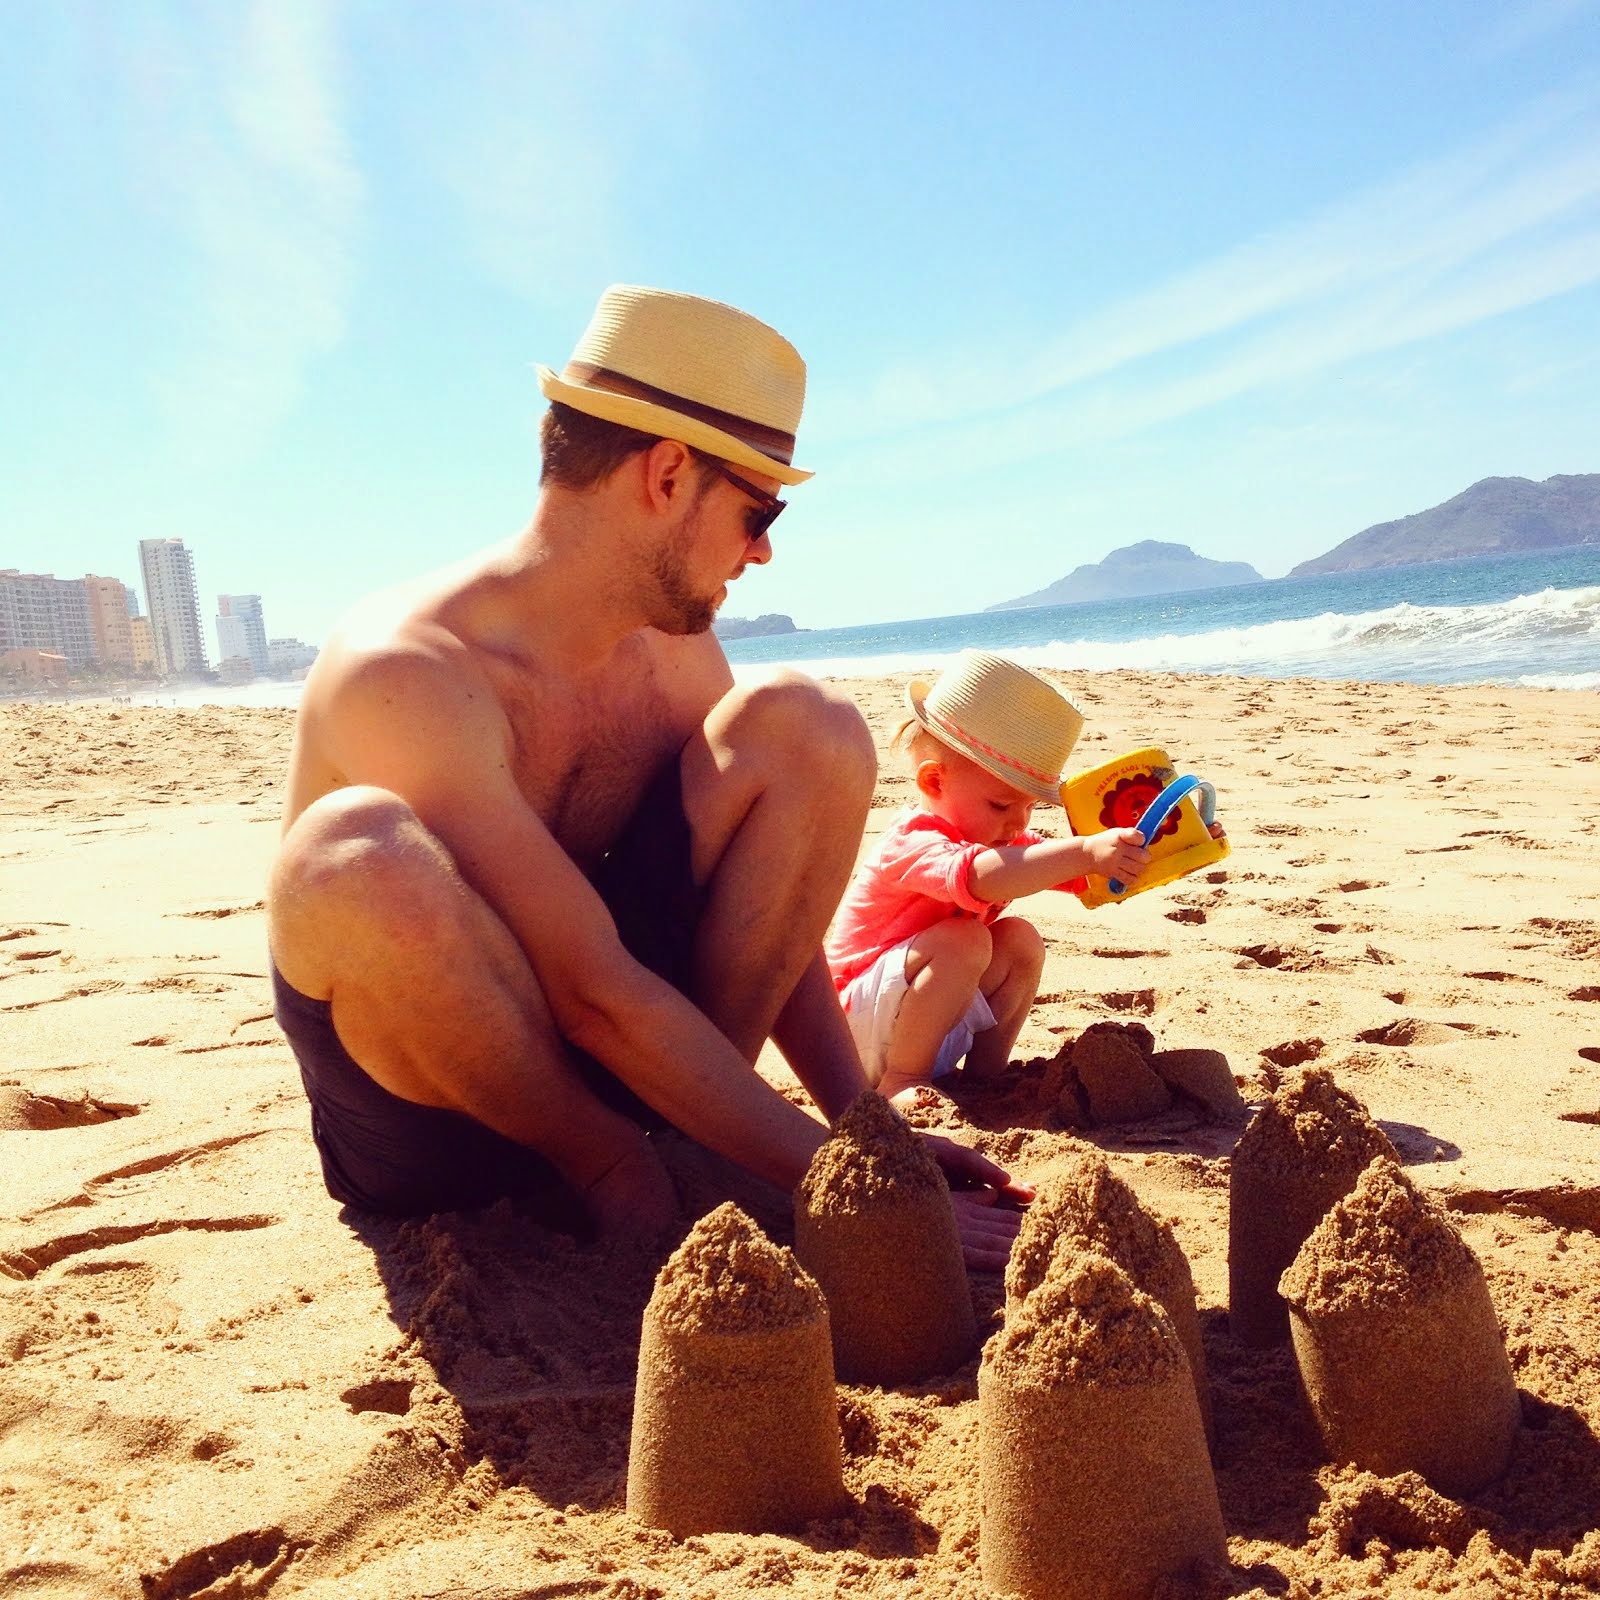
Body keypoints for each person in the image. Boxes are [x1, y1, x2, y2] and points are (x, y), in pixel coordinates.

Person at [267, 286, 1028, 1270]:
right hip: (440, 1122)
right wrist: (844, 1185)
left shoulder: (674, 652)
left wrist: (856, 1131)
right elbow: (587, 988)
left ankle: (679, 1140)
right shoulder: (407, 671)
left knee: (812, 726)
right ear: (668, 474)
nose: (763, 548)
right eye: (759, 509)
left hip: (645, 1064)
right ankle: (605, 1162)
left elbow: (773, 907)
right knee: (352, 854)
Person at [826, 650, 1160, 1105]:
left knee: (1020, 940)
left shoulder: (1007, 841)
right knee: (966, 940)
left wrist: (1157, 848)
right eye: (1001, 806)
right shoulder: (913, 841)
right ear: (934, 783)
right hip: (851, 1030)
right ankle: (901, 1079)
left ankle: (986, 1074)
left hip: (922, 1017)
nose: (1016, 823)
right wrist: (1084, 851)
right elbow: (980, 878)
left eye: (1029, 807)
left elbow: (1090, 882)